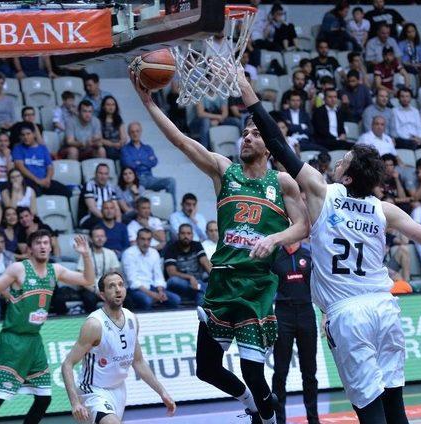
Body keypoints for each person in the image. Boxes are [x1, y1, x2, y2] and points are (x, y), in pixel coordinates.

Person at [237, 66, 421, 424]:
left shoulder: (323, 192)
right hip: (385, 309)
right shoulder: (385, 210)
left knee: (370, 411)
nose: (338, 159)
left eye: (344, 159)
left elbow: (276, 142)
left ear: (347, 176)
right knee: (395, 403)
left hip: (349, 314)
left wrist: (246, 89)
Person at [131, 69, 309, 424]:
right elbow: (182, 141)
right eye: (244, 132)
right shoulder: (224, 172)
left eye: (255, 134)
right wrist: (147, 101)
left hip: (256, 285)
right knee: (206, 368)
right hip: (222, 283)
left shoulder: (284, 182)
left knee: (254, 370)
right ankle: (252, 402)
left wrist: (275, 238)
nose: (246, 137)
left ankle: (267, 418)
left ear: (270, 145)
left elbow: (304, 226)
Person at [0, 231, 94, 423]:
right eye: (38, 242)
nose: (43, 246)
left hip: (34, 341)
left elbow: (88, 280)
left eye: (46, 242)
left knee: (44, 398)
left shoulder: (55, 270)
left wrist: (86, 255)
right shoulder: (18, 269)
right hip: (13, 340)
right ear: (30, 248)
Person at [61, 272, 176, 423]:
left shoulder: (132, 319)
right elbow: (67, 364)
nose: (118, 289)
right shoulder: (94, 324)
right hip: (93, 390)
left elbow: (139, 362)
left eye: (121, 285)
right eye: (111, 286)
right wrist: (75, 402)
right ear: (102, 295)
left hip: (119, 390)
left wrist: (162, 392)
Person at [271, 240, 320, 424]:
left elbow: (319, 285)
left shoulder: (308, 255)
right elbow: (267, 286)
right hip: (283, 313)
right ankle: (279, 419)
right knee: (280, 371)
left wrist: (324, 313)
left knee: (309, 372)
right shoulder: (275, 256)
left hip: (306, 311)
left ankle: (313, 419)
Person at [122, 228, 181, 310]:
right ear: (137, 240)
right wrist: (152, 294)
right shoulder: (128, 254)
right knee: (147, 300)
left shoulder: (154, 253)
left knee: (175, 300)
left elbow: (158, 277)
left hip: (152, 287)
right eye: (143, 239)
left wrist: (160, 292)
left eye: (148, 239)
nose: (146, 243)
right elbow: (133, 282)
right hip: (134, 289)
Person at [120, 122, 177, 206]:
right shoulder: (125, 149)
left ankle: (173, 210)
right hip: (136, 179)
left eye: (137, 131)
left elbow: (154, 162)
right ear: (129, 133)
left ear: (141, 132)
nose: (135, 134)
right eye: (132, 132)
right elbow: (128, 164)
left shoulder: (147, 148)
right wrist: (146, 161)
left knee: (171, 181)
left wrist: (138, 162)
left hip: (150, 178)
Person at [12, 122, 72, 198]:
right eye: (23, 135)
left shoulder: (42, 148)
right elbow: (20, 167)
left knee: (67, 192)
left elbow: (50, 166)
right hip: (29, 181)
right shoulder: (18, 148)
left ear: (34, 134)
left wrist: (48, 179)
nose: (25, 137)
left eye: (28, 134)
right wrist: (37, 180)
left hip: (45, 180)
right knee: (34, 194)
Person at [163, 224, 211, 306]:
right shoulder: (171, 248)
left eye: (188, 233)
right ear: (178, 235)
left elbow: (205, 263)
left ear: (192, 235)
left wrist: (215, 278)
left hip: (196, 283)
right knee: (173, 280)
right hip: (180, 283)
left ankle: (200, 290)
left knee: (200, 296)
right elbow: (171, 273)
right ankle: (204, 288)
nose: (186, 236)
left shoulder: (197, 245)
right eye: (183, 233)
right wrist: (190, 277)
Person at [79, 163, 121, 230]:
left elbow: (116, 207)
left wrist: (119, 223)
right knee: (102, 224)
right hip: (89, 218)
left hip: (107, 217)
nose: (103, 176)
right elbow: (92, 208)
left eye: (105, 174)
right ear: (95, 174)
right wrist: (108, 220)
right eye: (100, 173)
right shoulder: (89, 185)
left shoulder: (110, 187)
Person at [98, 95, 128, 160]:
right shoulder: (99, 121)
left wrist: (120, 143)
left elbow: (124, 137)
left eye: (113, 104)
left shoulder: (119, 119)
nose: (111, 107)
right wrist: (113, 144)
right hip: (107, 146)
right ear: (103, 106)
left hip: (119, 145)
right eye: (108, 105)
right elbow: (100, 139)